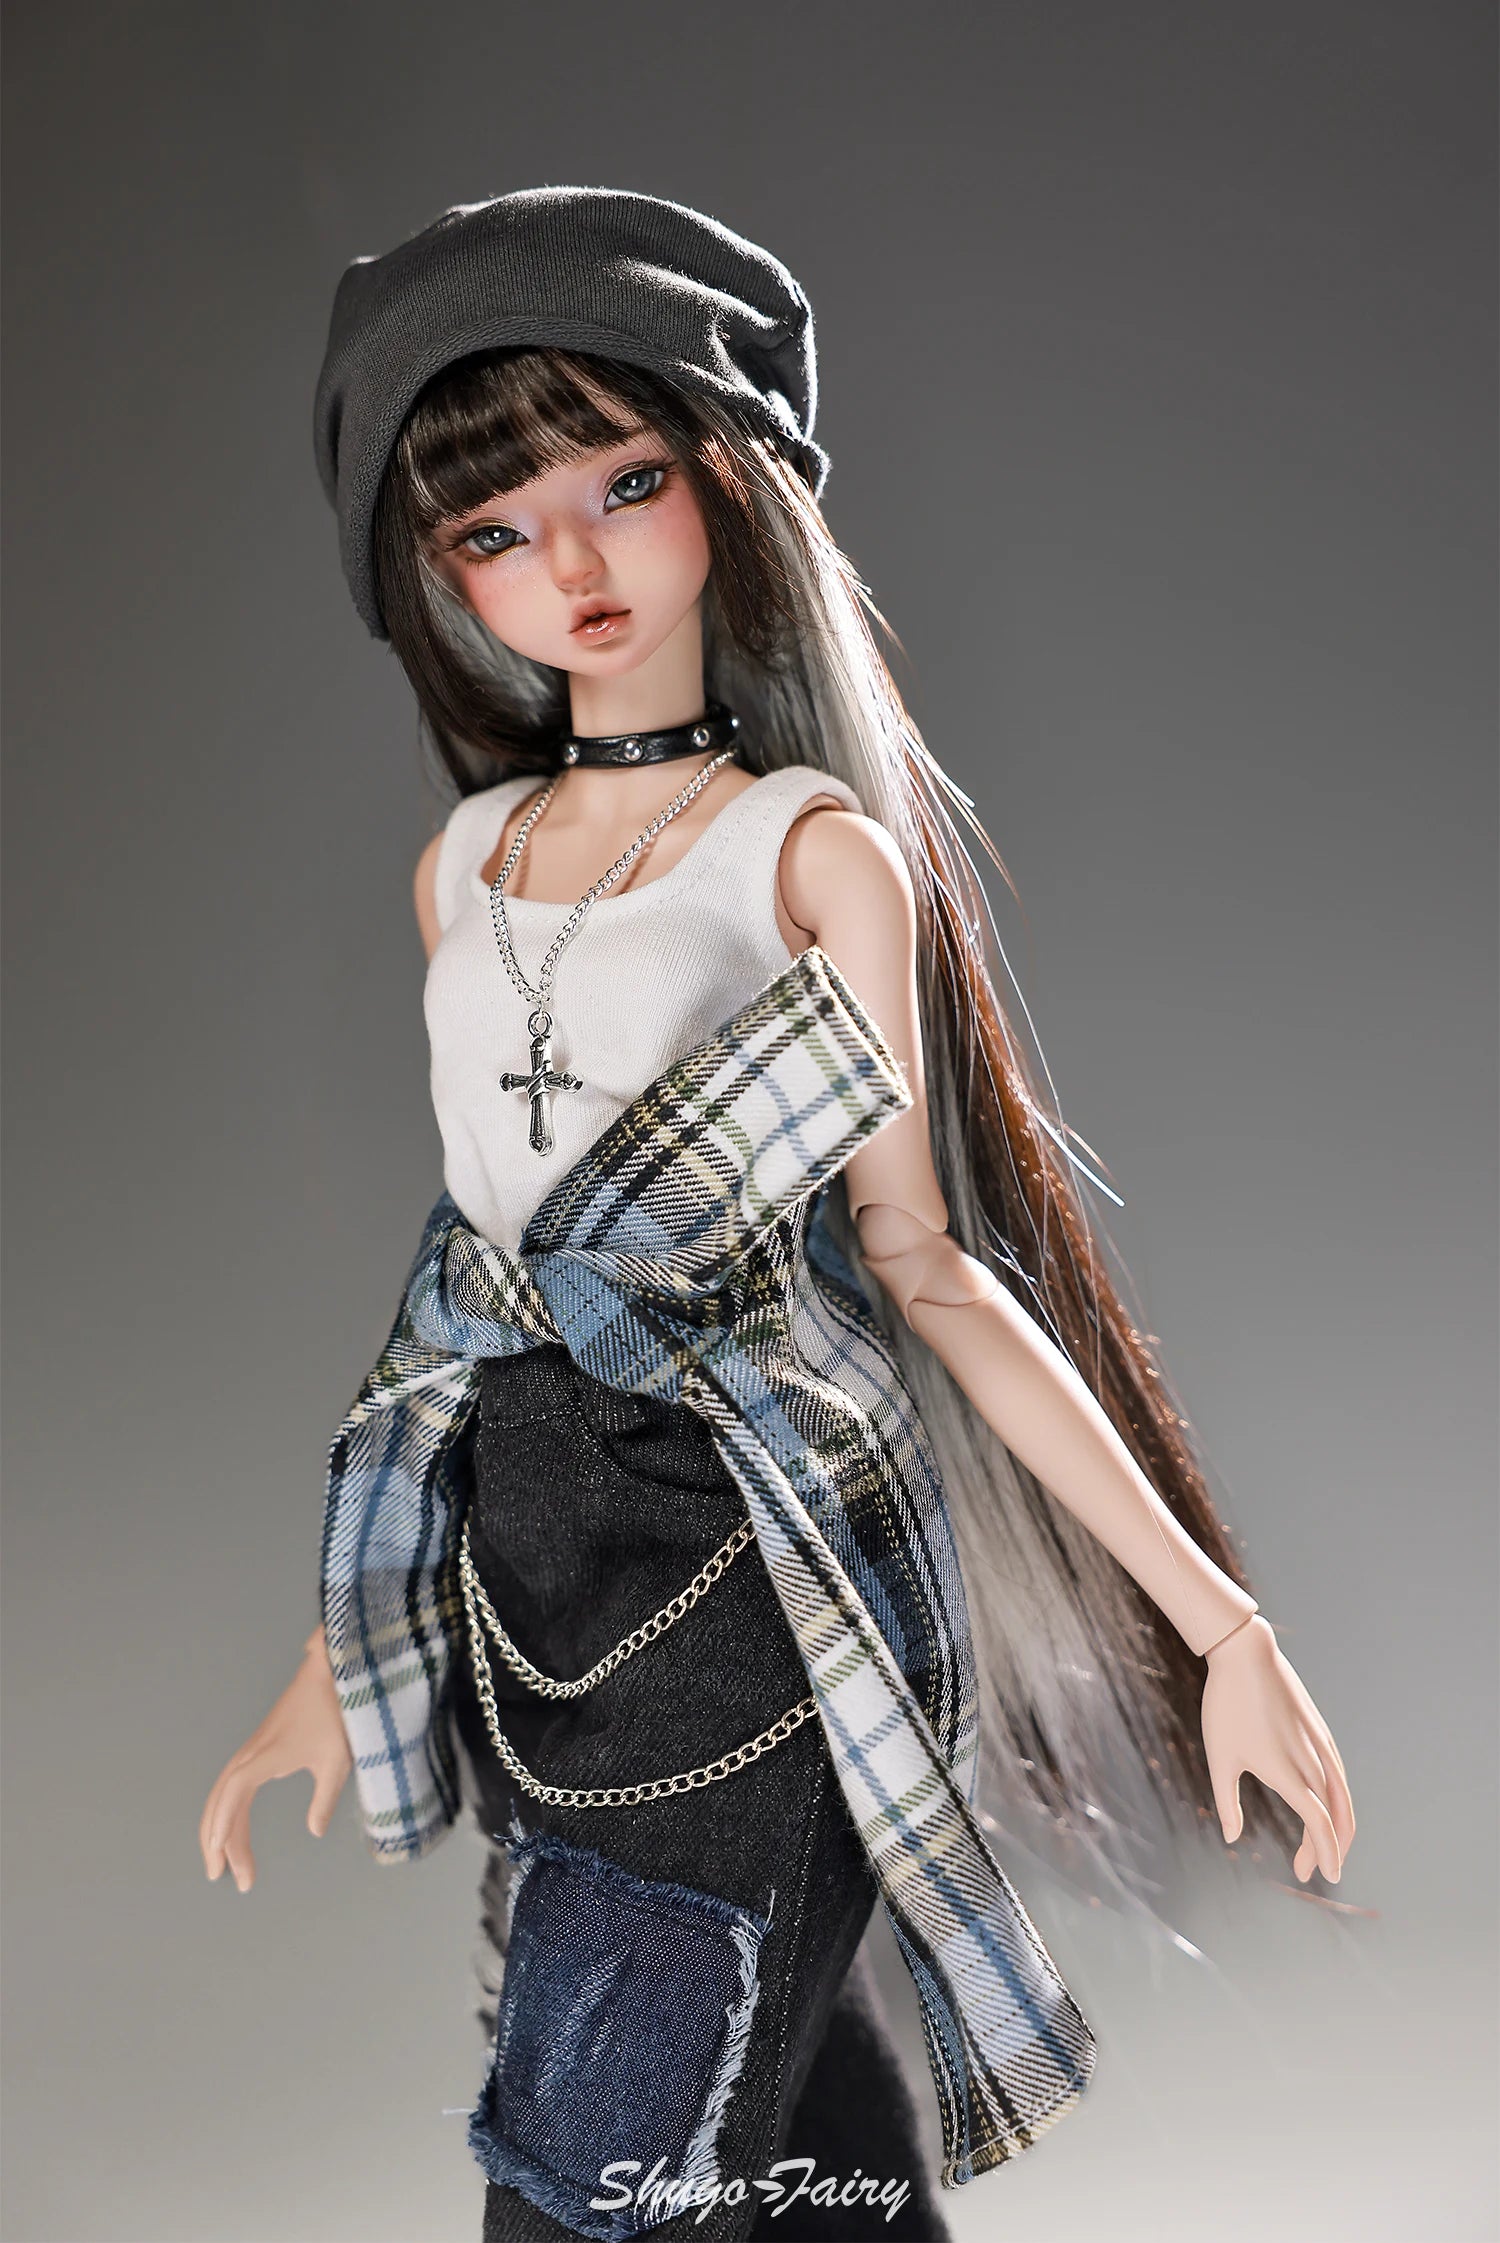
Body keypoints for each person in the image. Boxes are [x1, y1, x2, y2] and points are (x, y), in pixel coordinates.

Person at [199, 187, 1355, 2242]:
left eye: (623, 484)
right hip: (537, 1590)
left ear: (724, 485)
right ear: (438, 577)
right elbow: (469, 1306)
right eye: (494, 531)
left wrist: (1221, 1627)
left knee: (600, 2169)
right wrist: (335, 1650)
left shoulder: (801, 855)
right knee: (787, 2111)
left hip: (754, 1575)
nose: (572, 564)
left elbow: (926, 1268)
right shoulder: (465, 870)